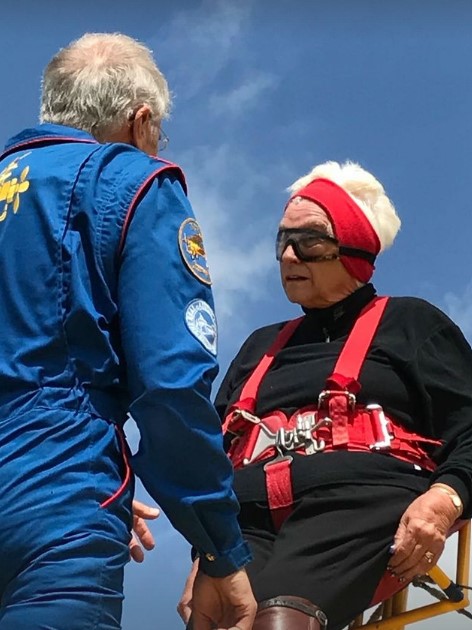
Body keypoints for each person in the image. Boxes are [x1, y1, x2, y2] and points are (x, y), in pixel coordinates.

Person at [0, 32, 256, 630]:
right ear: (141, 120)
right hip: (55, 503)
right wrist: (219, 546)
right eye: (159, 130)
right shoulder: (131, 180)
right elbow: (170, 385)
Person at [179, 160, 472, 630]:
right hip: (244, 522)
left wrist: (444, 500)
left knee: (278, 621)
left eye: (309, 241)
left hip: (354, 508)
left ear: (354, 249)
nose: (289, 257)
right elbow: (214, 454)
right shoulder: (260, 346)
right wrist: (208, 551)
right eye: (283, 242)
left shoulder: (412, 324)